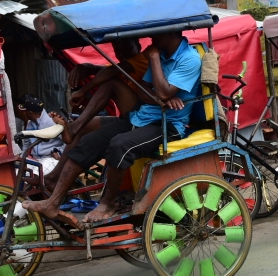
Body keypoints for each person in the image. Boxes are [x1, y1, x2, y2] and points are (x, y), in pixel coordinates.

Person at [23, 31, 202, 223]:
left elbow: (164, 91)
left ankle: (107, 204)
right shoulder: (161, 55)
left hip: (168, 126)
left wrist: (155, 62)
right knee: (89, 142)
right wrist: (161, 98)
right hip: (141, 117)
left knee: (119, 144)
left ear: (171, 33)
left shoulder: (189, 58)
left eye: (155, 34)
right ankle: (53, 202)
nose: (151, 39)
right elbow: (144, 91)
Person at [42, 38, 148, 191]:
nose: (121, 51)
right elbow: (101, 70)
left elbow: (110, 71)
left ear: (137, 45)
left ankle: (73, 129)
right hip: (127, 118)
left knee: (111, 83)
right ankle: (53, 176)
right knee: (85, 127)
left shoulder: (140, 60)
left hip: (143, 118)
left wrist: (83, 91)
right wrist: (85, 67)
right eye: (117, 47)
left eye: (126, 45)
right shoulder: (123, 66)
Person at [17, 94, 66, 175]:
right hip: (36, 159)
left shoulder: (52, 122)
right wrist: (21, 158)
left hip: (50, 159)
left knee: (35, 175)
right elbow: (27, 144)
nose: (23, 113)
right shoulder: (30, 124)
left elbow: (68, 140)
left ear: (30, 112)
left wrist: (60, 153)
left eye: (25, 111)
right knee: (17, 175)